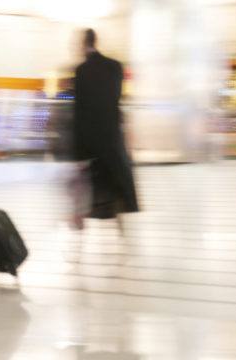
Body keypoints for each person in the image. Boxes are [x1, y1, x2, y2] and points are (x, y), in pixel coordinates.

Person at [71, 29, 139, 231]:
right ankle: (123, 237)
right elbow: (117, 103)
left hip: (92, 144)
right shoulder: (115, 67)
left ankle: (78, 241)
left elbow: (80, 112)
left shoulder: (81, 71)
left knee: (88, 193)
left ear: (84, 43)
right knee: (116, 189)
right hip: (112, 141)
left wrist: (78, 153)